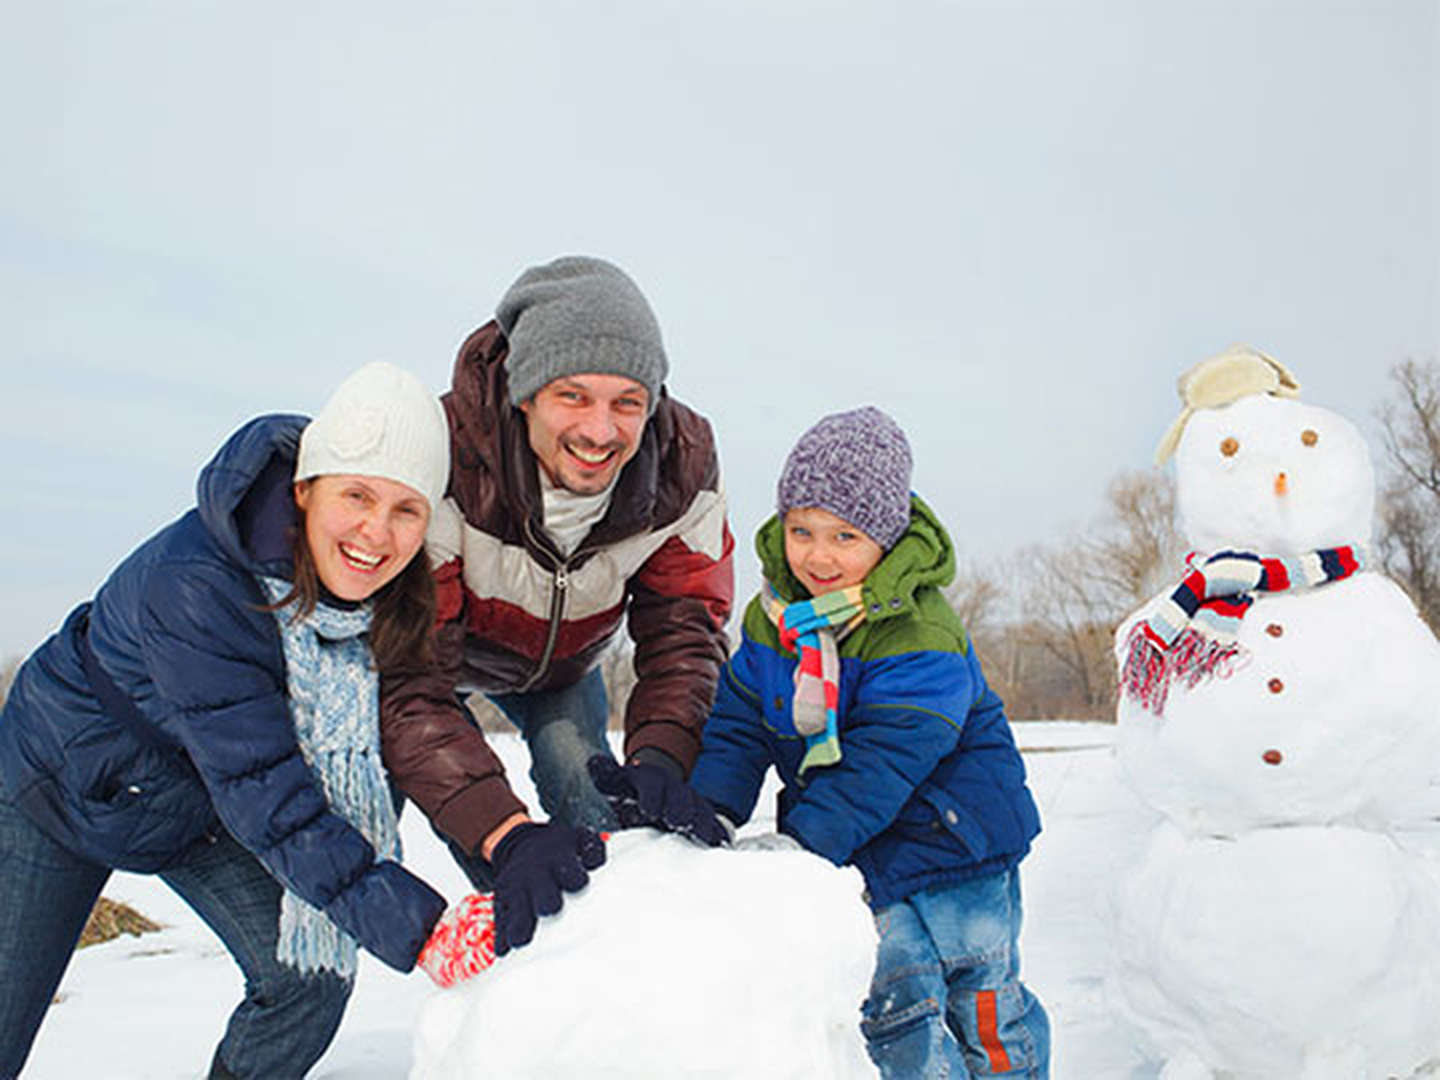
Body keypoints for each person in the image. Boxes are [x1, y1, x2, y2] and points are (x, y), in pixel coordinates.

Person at [0, 363, 565, 1080]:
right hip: (56, 781)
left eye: (406, 509)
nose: (376, 533)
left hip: (190, 801)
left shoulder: (392, 596)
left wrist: (507, 840)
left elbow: (414, 721)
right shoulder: (199, 587)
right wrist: (422, 928)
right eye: (356, 496)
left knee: (308, 979)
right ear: (303, 491)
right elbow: (268, 794)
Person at [597, 406, 1051, 1077]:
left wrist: (805, 841)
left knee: (983, 1005)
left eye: (846, 535)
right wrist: (713, 805)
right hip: (863, 852)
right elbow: (739, 722)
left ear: (887, 540)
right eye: (802, 530)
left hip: (960, 850)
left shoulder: (919, 631)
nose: (818, 555)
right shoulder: (774, 619)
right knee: (895, 1009)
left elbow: (886, 759)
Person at [381, 255, 735, 889]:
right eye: (573, 396)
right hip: (437, 656)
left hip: (565, 664)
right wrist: (501, 832)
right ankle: (522, 948)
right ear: (526, 394)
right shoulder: (442, 456)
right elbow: (408, 676)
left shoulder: (683, 466)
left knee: (595, 798)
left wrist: (661, 753)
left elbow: (686, 627)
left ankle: (617, 950)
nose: (600, 430)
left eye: (628, 403)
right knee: (494, 834)